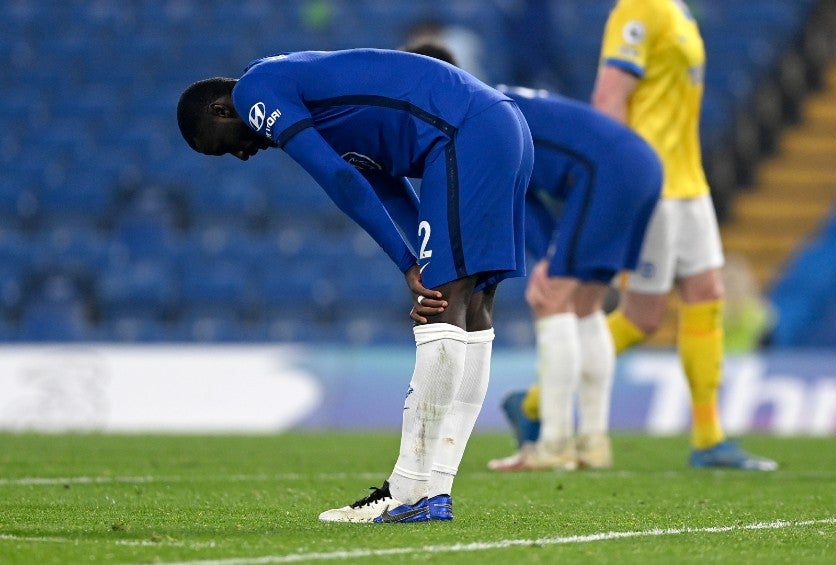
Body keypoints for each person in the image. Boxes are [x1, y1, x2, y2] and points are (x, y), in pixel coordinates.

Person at [177, 48, 533, 522]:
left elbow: (338, 178)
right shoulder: (312, 97)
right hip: (500, 127)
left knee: (444, 301)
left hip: (463, 132)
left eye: (224, 145)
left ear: (223, 110)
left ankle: (408, 491)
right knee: (472, 302)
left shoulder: (254, 91)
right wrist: (420, 260)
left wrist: (409, 262)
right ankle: (435, 490)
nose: (241, 155)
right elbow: (381, 177)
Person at [496, 0, 778, 471]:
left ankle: (709, 439)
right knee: (642, 316)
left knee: (705, 293)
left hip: (690, 182)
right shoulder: (638, 10)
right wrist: (612, 183)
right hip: (652, 182)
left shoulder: (679, 13)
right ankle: (534, 405)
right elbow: (609, 97)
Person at [405, 43, 661, 471]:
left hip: (607, 172)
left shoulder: (473, 121)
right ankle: (593, 441)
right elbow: (524, 188)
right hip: (641, 164)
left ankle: (555, 444)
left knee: (550, 298)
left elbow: (512, 191)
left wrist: (547, 258)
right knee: (585, 304)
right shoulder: (498, 101)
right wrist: (548, 256)